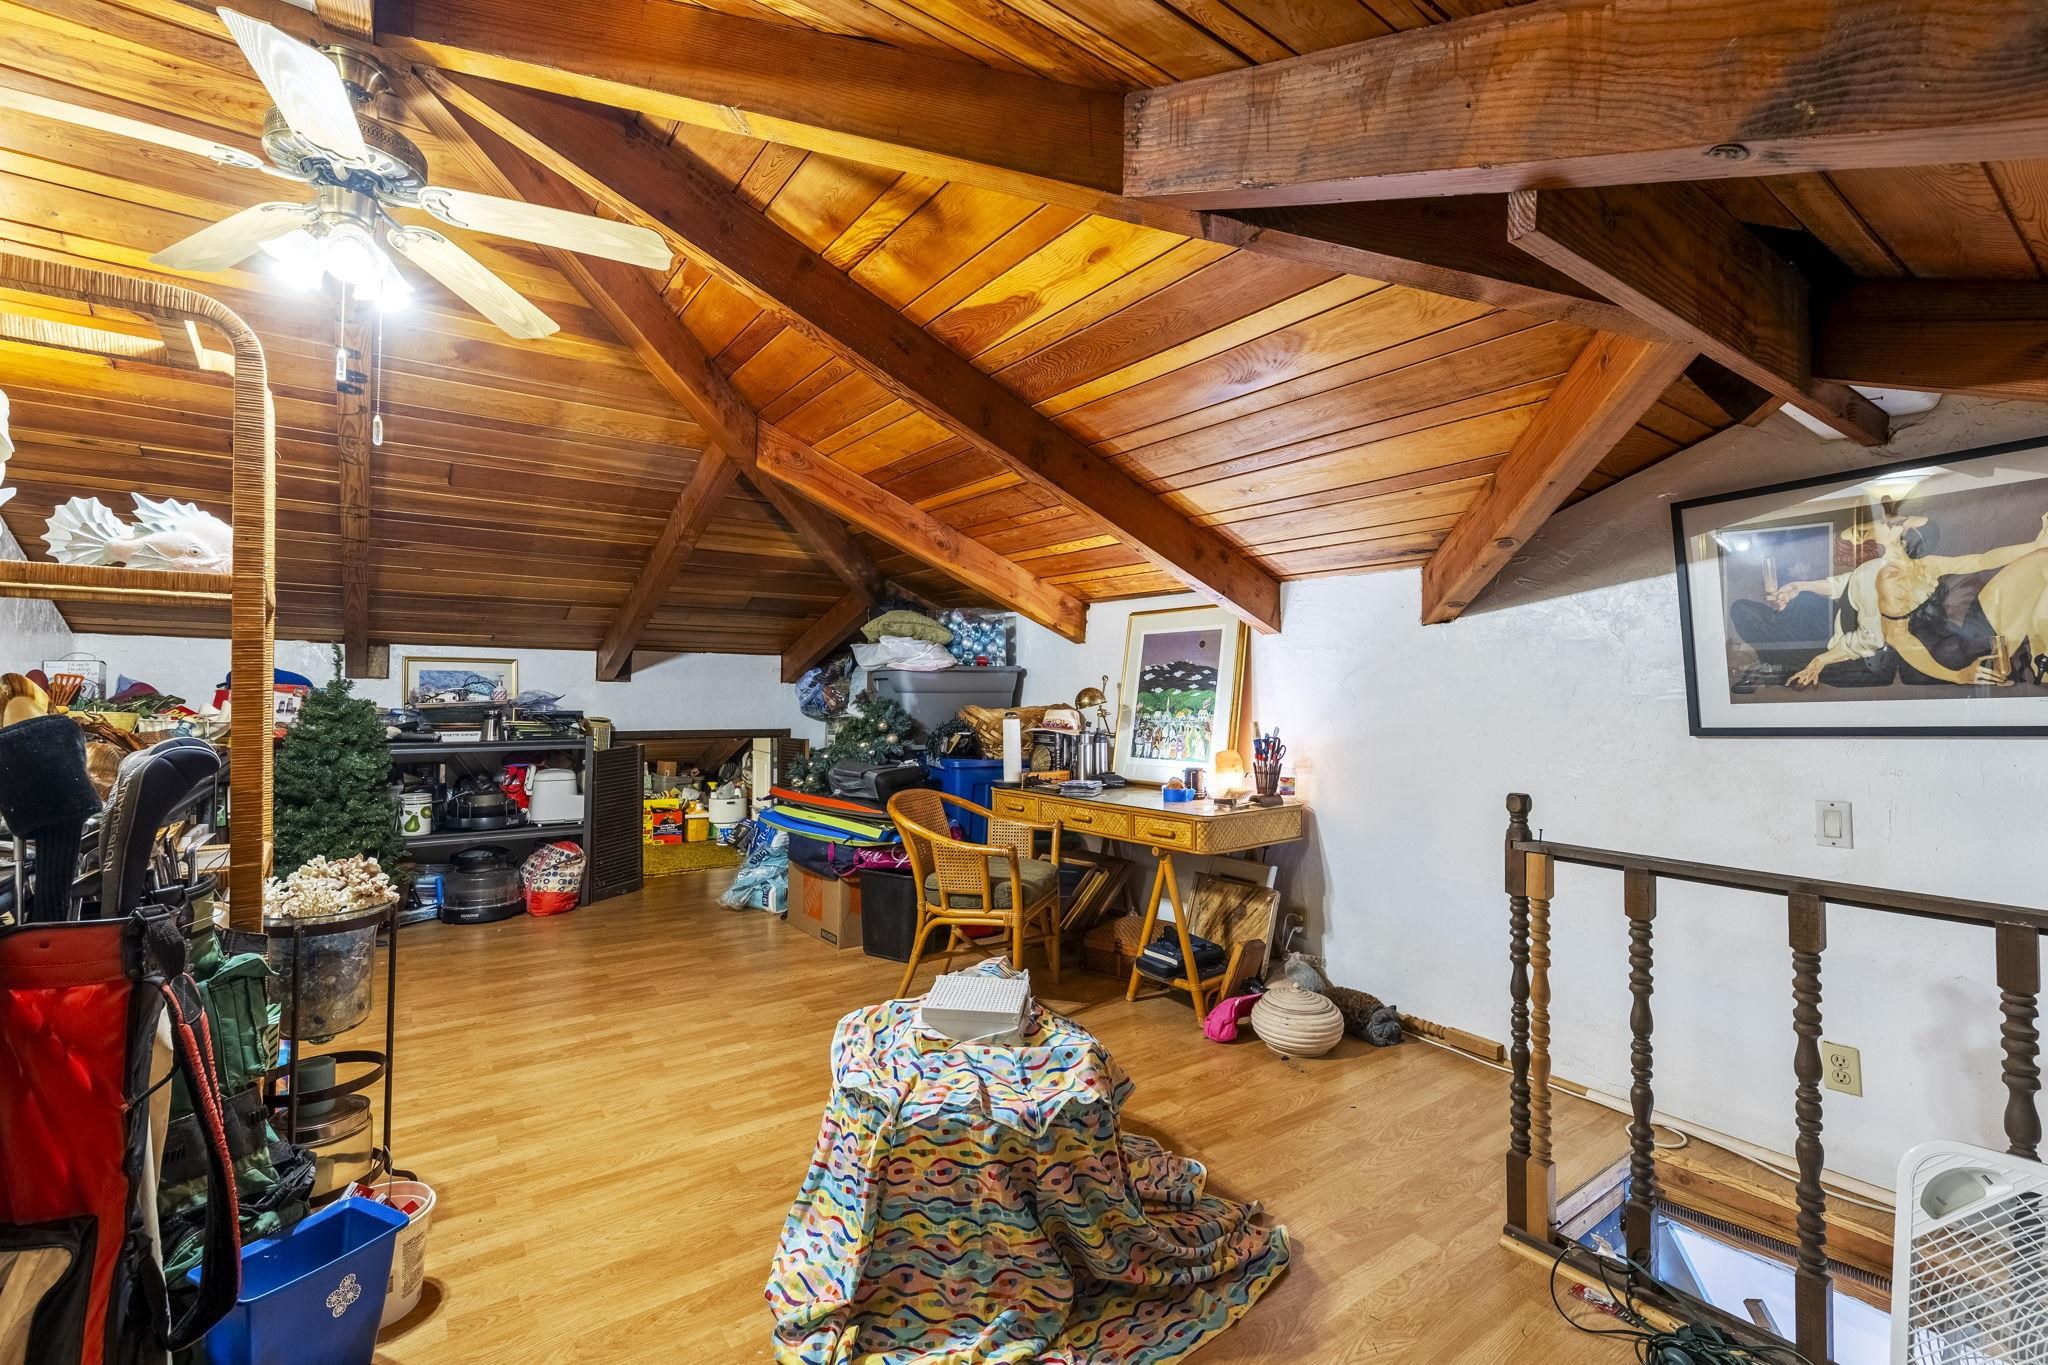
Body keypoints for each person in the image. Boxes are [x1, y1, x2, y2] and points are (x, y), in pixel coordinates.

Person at [1754, 511, 2048, 689]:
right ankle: (2039, 659)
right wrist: (1957, 676)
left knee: (2042, 556)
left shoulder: (1925, 564)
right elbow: (1903, 642)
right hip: (1946, 654)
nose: (1895, 520)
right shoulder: (1882, 581)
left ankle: (2040, 658)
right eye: (1886, 520)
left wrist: (2034, 544)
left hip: (1966, 630)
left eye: (1902, 521)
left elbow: (1981, 559)